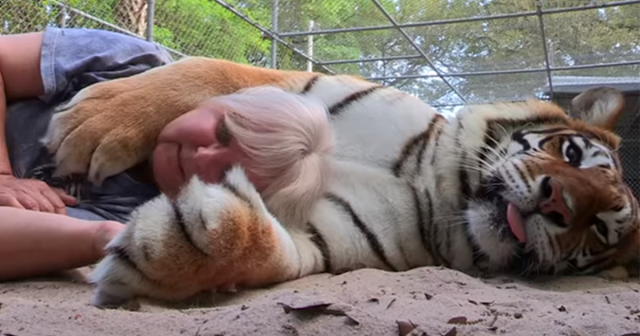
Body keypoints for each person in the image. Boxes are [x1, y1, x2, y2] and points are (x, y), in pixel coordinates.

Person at [0, 27, 332, 281]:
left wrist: (108, 239)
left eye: (223, 175)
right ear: (218, 97)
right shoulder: (131, 63)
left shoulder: (138, 215)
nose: (201, 157)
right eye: (222, 132)